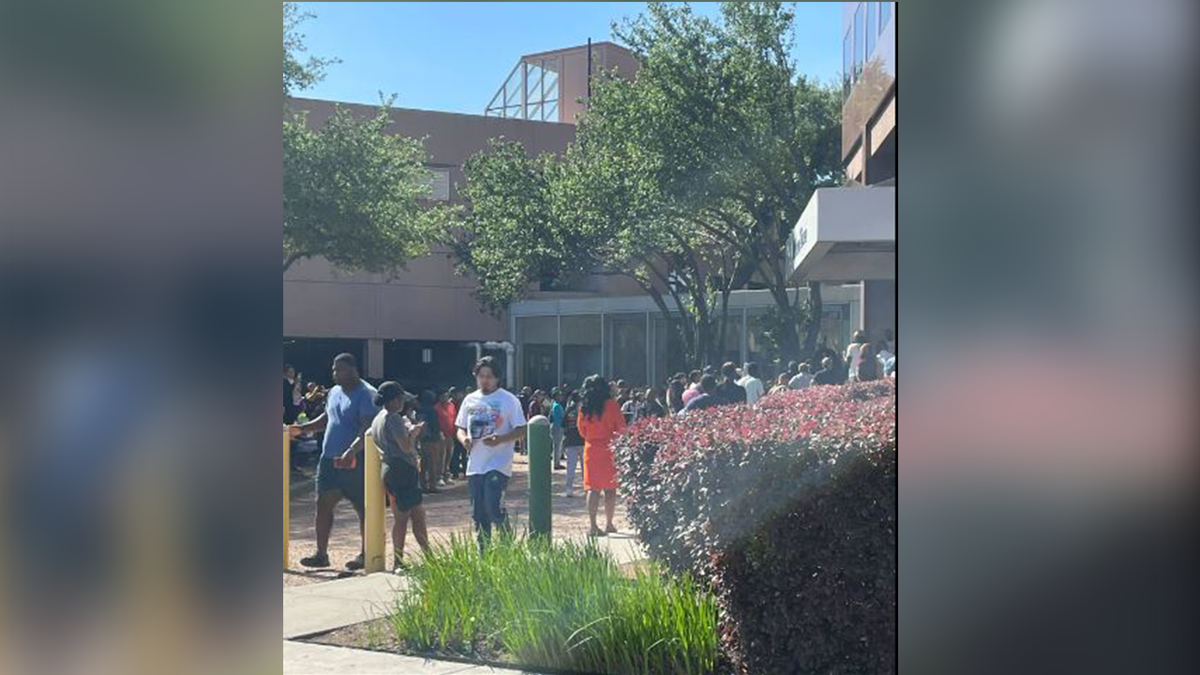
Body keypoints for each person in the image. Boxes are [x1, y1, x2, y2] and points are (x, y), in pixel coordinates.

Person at [288, 353, 378, 570]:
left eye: (339, 369)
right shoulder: (335, 391)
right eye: (334, 369)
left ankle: (367, 553)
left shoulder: (367, 394)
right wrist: (301, 428)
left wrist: (351, 450)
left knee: (363, 508)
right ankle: (321, 554)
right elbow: (327, 419)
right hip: (329, 459)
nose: (334, 373)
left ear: (353, 370)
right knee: (323, 505)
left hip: (357, 460)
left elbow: (367, 428)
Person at [455, 357, 527, 549]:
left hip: (498, 463)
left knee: (493, 505)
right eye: (481, 376)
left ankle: (506, 546)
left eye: (489, 377)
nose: (485, 380)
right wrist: (465, 440)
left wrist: (501, 439)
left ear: (497, 378)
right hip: (475, 465)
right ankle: (484, 552)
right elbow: (460, 428)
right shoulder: (470, 400)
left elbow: (522, 429)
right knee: (478, 512)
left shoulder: (509, 400)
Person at [369, 382, 431, 571]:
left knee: (404, 515)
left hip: (389, 468)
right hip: (402, 468)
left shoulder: (378, 418)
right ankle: (406, 561)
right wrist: (414, 433)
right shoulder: (394, 418)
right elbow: (405, 447)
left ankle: (404, 559)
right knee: (413, 516)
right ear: (395, 399)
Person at [578, 375, 625, 537]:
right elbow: (621, 428)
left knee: (593, 488)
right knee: (610, 488)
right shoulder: (612, 405)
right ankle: (609, 523)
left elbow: (581, 430)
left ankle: (592, 525)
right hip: (609, 448)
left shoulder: (584, 407)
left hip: (591, 449)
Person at [415, 390, 444, 492]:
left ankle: (423, 485)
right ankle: (432, 486)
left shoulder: (420, 410)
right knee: (433, 463)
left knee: (424, 463)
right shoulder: (433, 411)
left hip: (423, 439)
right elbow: (436, 425)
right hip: (433, 439)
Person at [562, 391, 584, 497]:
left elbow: (563, 426)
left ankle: (569, 489)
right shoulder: (584, 410)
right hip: (582, 441)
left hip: (570, 441)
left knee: (571, 467)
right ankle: (587, 488)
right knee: (585, 467)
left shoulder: (568, 410)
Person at [435, 389, 458, 484]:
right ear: (440, 397)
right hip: (441, 435)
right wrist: (439, 432)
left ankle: (446, 475)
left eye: (446, 395)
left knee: (449, 455)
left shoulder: (451, 406)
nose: (445, 397)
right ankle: (439, 476)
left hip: (451, 434)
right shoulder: (436, 407)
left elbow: (455, 418)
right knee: (441, 456)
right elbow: (435, 422)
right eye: (443, 395)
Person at [447, 387, 468, 478]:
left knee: (464, 452)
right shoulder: (449, 404)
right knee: (455, 453)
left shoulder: (464, 403)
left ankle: (465, 471)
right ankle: (454, 472)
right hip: (453, 432)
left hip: (464, 431)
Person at [549, 389, 566, 470]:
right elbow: (558, 419)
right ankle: (556, 464)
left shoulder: (556, 405)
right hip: (557, 427)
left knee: (557, 446)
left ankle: (557, 462)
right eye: (559, 395)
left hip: (558, 427)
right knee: (557, 446)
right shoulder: (556, 406)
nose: (561, 397)